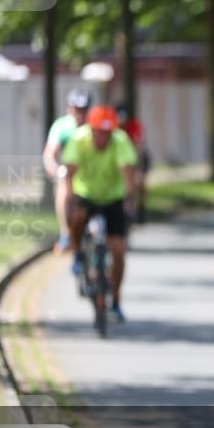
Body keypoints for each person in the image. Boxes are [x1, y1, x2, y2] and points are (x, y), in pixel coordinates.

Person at [63, 106, 138, 324]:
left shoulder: (121, 141)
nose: (103, 138)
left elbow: (127, 173)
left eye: (108, 133)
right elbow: (69, 171)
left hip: (113, 197)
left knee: (118, 251)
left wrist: (130, 199)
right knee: (77, 217)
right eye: (99, 132)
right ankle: (77, 254)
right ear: (91, 129)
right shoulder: (79, 140)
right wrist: (69, 197)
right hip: (85, 193)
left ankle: (114, 300)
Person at [42, 88, 91, 252]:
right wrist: (57, 171)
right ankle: (65, 232)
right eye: (76, 109)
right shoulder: (62, 127)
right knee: (63, 188)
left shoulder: (93, 126)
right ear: (69, 109)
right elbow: (49, 154)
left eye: (83, 110)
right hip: (71, 174)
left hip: (92, 175)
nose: (80, 114)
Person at [116, 103, 150, 223]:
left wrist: (137, 169)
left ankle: (139, 208)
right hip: (119, 159)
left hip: (136, 158)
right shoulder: (113, 128)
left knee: (138, 181)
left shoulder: (134, 126)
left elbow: (138, 148)